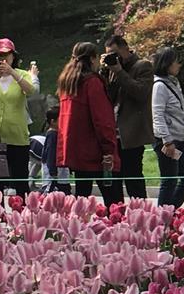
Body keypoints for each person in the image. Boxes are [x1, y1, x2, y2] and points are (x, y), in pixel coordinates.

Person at [56, 42, 120, 204]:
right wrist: (109, 149)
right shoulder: (92, 83)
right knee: (113, 201)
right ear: (92, 59)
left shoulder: (67, 83)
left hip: (76, 151)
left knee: (81, 201)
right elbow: (102, 119)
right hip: (96, 152)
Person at [0, 38, 39, 194]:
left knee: (20, 180)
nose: (3, 59)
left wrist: (13, 73)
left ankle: (23, 208)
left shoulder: (22, 74)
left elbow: (31, 91)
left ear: (14, 56)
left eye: (6, 55)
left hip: (17, 135)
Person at [101, 34, 153, 200]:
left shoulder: (143, 66)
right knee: (115, 179)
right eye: (109, 54)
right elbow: (107, 98)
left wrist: (120, 72)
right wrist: (104, 73)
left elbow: (141, 93)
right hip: (113, 133)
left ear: (126, 48)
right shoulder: (112, 69)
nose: (113, 58)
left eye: (115, 53)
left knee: (133, 177)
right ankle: (117, 211)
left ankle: (141, 211)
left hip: (131, 133)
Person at [151, 47, 184, 208]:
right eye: (176, 61)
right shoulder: (159, 86)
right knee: (169, 180)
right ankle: (163, 216)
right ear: (167, 64)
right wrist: (167, 141)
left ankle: (170, 211)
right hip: (168, 142)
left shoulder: (173, 82)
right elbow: (157, 114)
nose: (179, 65)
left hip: (178, 140)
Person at [41, 106, 71, 192]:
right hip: (55, 176)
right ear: (53, 121)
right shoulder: (52, 135)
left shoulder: (56, 134)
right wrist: (53, 172)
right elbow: (50, 154)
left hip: (60, 175)